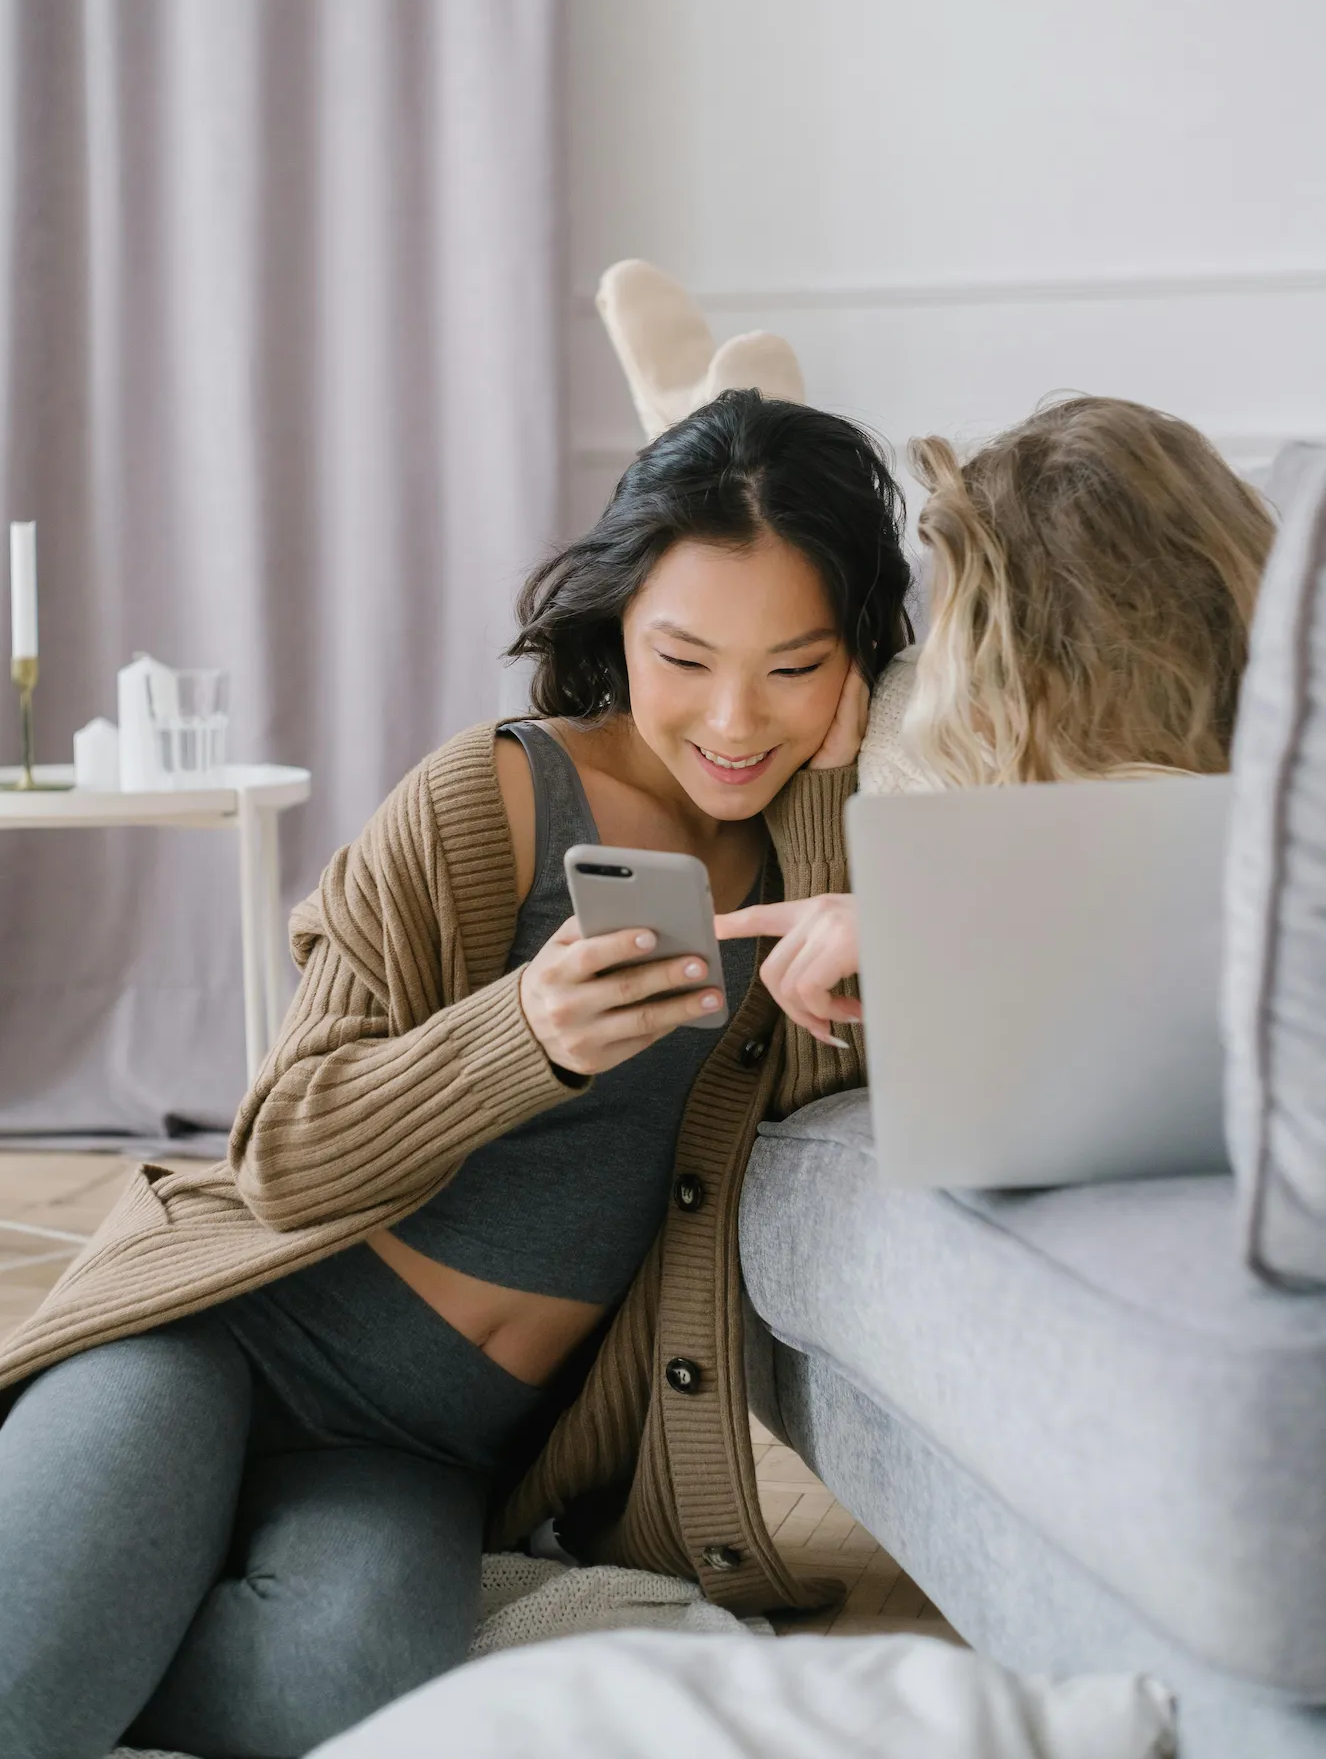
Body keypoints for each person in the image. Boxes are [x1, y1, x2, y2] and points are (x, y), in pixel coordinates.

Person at [0, 389, 911, 1759]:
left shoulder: (824, 845)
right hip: (233, 1335)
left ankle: (107, 1579)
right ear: (613, 627)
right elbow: (284, 1151)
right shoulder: (484, 801)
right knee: (32, 1702)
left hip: (416, 1454)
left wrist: (876, 870)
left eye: (794, 666)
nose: (734, 719)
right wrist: (518, 1040)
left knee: (334, 1686)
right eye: (682, 658)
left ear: (855, 668)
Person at [717, 395, 1274, 1047]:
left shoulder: (1279, 782)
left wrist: (937, 930)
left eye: (982, 662)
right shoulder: (924, 739)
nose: (964, 696)